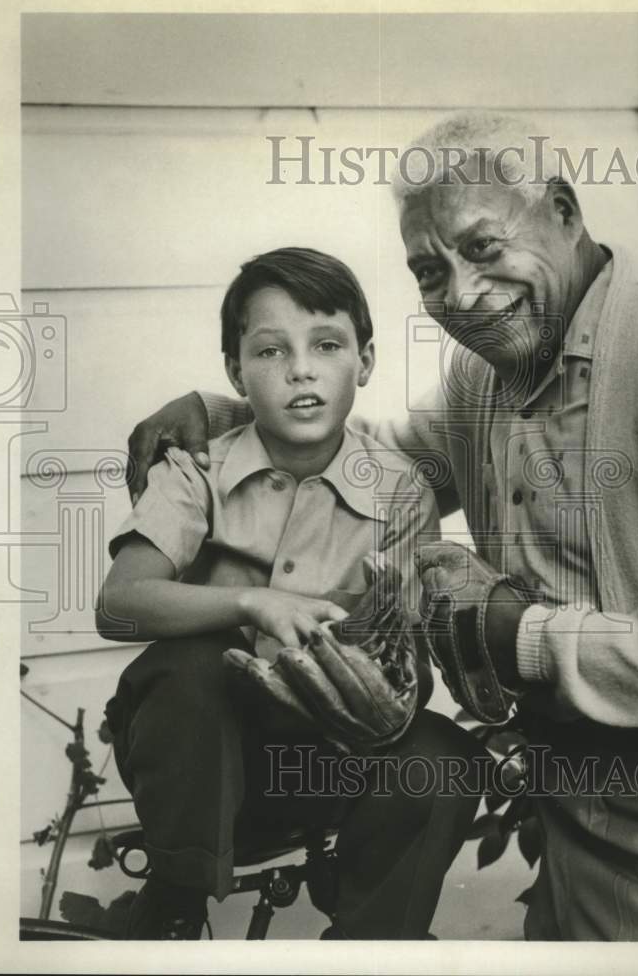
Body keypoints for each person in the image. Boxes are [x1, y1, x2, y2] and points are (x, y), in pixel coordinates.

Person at [126, 113, 638, 941]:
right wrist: (227, 414)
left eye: (482, 248)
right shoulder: (488, 369)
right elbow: (373, 463)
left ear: (564, 210)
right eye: (430, 271)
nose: (462, 297)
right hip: (564, 809)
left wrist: (529, 640)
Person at [98, 246, 484, 940]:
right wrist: (252, 604)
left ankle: (373, 941)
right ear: (235, 373)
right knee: (189, 668)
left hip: (330, 763)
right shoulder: (196, 470)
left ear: (364, 361)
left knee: (441, 757)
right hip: (203, 767)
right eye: (270, 351)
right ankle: (176, 906)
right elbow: (120, 603)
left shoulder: (398, 490)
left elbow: (406, 661)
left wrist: (388, 699)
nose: (301, 369)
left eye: (327, 345)